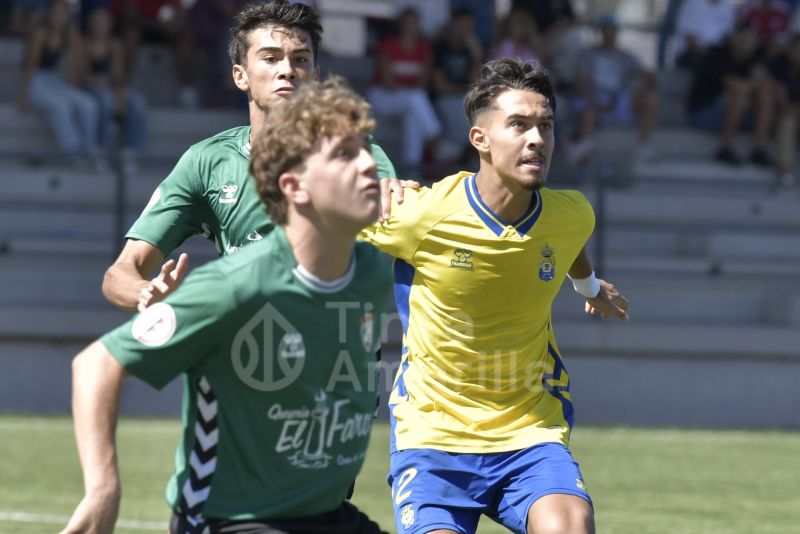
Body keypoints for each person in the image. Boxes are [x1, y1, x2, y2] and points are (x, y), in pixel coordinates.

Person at [61, 77, 393, 534]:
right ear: (294, 187)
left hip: (328, 514)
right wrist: (102, 492)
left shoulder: (372, 274)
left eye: (364, 150)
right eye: (344, 155)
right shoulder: (238, 285)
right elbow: (96, 364)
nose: (367, 166)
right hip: (232, 520)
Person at [360, 58, 629, 534]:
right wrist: (373, 190)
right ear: (479, 139)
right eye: (519, 125)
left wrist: (587, 285)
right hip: (433, 438)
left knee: (572, 525)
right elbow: (322, 221)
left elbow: (567, 243)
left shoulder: (572, 213)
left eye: (546, 126)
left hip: (529, 431)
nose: (537, 140)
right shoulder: (419, 215)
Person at [101, 0, 401, 313]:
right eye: (270, 58)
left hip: (340, 353)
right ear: (240, 75)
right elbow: (119, 273)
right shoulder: (207, 162)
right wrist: (146, 292)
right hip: (249, 352)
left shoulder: (355, 152)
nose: (287, 71)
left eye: (300, 59)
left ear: (316, 75)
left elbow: (395, 210)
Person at [18, 0, 101, 168]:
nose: (60, 16)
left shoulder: (69, 33)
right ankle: (73, 150)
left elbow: (75, 64)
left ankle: (91, 149)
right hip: (36, 82)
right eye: (56, 12)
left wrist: (76, 86)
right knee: (62, 106)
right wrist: (23, 95)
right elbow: (30, 66)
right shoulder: (41, 33)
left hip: (53, 80)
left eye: (63, 13)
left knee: (88, 104)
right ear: (50, 14)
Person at [568, 15, 660, 165]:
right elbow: (582, 83)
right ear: (601, 32)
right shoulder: (588, 55)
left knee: (651, 97)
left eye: (613, 31)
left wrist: (647, 83)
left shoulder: (626, 57)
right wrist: (596, 103)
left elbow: (646, 74)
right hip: (593, 101)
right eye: (606, 31)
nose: (609, 34)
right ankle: (584, 150)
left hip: (618, 102)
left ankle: (644, 144)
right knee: (588, 111)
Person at [368, 7, 446, 178]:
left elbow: (423, 83)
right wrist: (409, 87)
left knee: (414, 116)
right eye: (408, 22)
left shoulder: (424, 48)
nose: (412, 26)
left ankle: (413, 170)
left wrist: (406, 87)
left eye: (415, 22)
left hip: (408, 100)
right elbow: (388, 83)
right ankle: (436, 138)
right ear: (401, 24)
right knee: (415, 98)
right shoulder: (388, 45)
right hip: (382, 96)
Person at [686, 21, 775, 166]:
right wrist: (756, 81)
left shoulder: (757, 57)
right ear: (733, 37)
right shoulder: (717, 54)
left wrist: (759, 80)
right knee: (738, 95)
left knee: (765, 96)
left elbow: (768, 85)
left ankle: (758, 150)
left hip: (737, 113)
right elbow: (736, 86)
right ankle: (724, 148)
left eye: (751, 39)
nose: (747, 43)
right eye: (743, 38)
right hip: (704, 113)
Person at [82, 6, 149, 175]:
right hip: (89, 85)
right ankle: (100, 150)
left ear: (110, 24)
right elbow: (80, 74)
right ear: (90, 24)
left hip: (109, 85)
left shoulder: (115, 44)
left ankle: (129, 151)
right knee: (105, 103)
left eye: (103, 21)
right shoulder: (83, 43)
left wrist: (118, 91)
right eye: (96, 22)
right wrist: (101, 86)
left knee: (137, 102)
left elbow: (118, 76)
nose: (100, 25)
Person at [673, 0, 736, 71]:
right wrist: (708, 53)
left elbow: (729, 35)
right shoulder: (693, 3)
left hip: (718, 53)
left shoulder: (727, 7)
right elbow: (689, 37)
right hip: (692, 52)